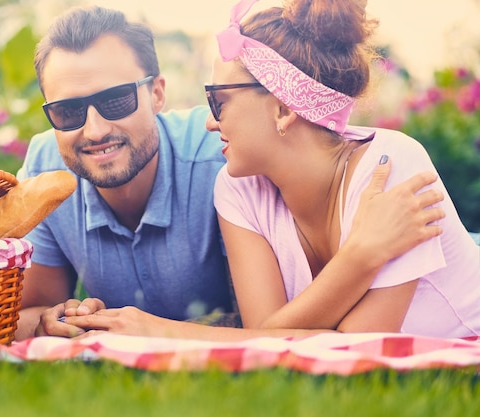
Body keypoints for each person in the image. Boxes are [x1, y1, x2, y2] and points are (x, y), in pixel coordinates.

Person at [60, 0, 479, 341]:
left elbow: (355, 350)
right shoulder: (238, 188)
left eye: (218, 101)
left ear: (282, 108)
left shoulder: (391, 169)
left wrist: (164, 333)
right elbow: (264, 333)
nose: (209, 121)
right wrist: (361, 256)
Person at [14, 5, 237, 340]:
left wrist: (149, 333)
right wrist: (51, 321)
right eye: (67, 111)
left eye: (116, 100)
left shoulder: (220, 157)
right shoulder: (45, 173)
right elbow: (29, 312)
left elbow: (266, 320)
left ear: (158, 94)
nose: (95, 131)